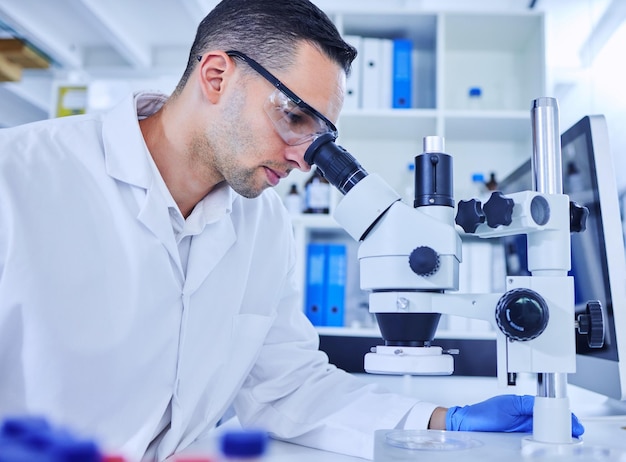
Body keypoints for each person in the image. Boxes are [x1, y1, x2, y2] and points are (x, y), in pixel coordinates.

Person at [0, 0, 583, 460]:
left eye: (321, 133)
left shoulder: (264, 222)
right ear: (216, 75)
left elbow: (287, 387)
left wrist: (441, 421)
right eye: (293, 116)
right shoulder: (19, 177)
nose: (305, 158)